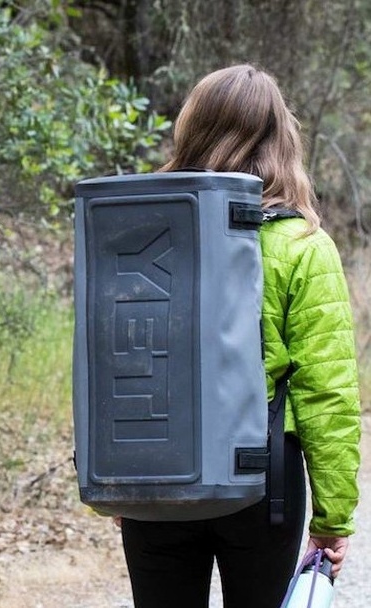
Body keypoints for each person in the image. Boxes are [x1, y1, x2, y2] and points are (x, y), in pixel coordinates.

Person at [116, 64, 362, 608]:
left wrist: (115, 476)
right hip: (261, 483)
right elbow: (327, 392)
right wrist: (332, 515)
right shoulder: (303, 246)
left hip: (158, 469)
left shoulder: (137, 233)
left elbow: (112, 356)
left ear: (191, 130)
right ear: (281, 138)